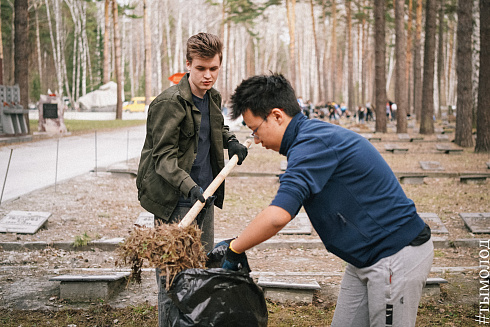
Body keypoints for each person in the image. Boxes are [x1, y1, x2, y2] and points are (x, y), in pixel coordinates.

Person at [217, 73, 433, 327]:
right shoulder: (307, 139)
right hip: (363, 258)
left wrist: (235, 248)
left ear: (277, 115)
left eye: (255, 130)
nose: (256, 140)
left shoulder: (311, 144)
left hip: (394, 254)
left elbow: (278, 216)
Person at [136, 32, 248, 327]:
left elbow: (214, 130)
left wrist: (231, 141)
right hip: (175, 201)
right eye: (201, 68)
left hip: (205, 195)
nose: (208, 75)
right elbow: (163, 158)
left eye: (213, 68)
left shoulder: (212, 97)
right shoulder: (169, 103)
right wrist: (191, 187)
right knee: (172, 275)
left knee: (201, 270)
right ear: (188, 65)